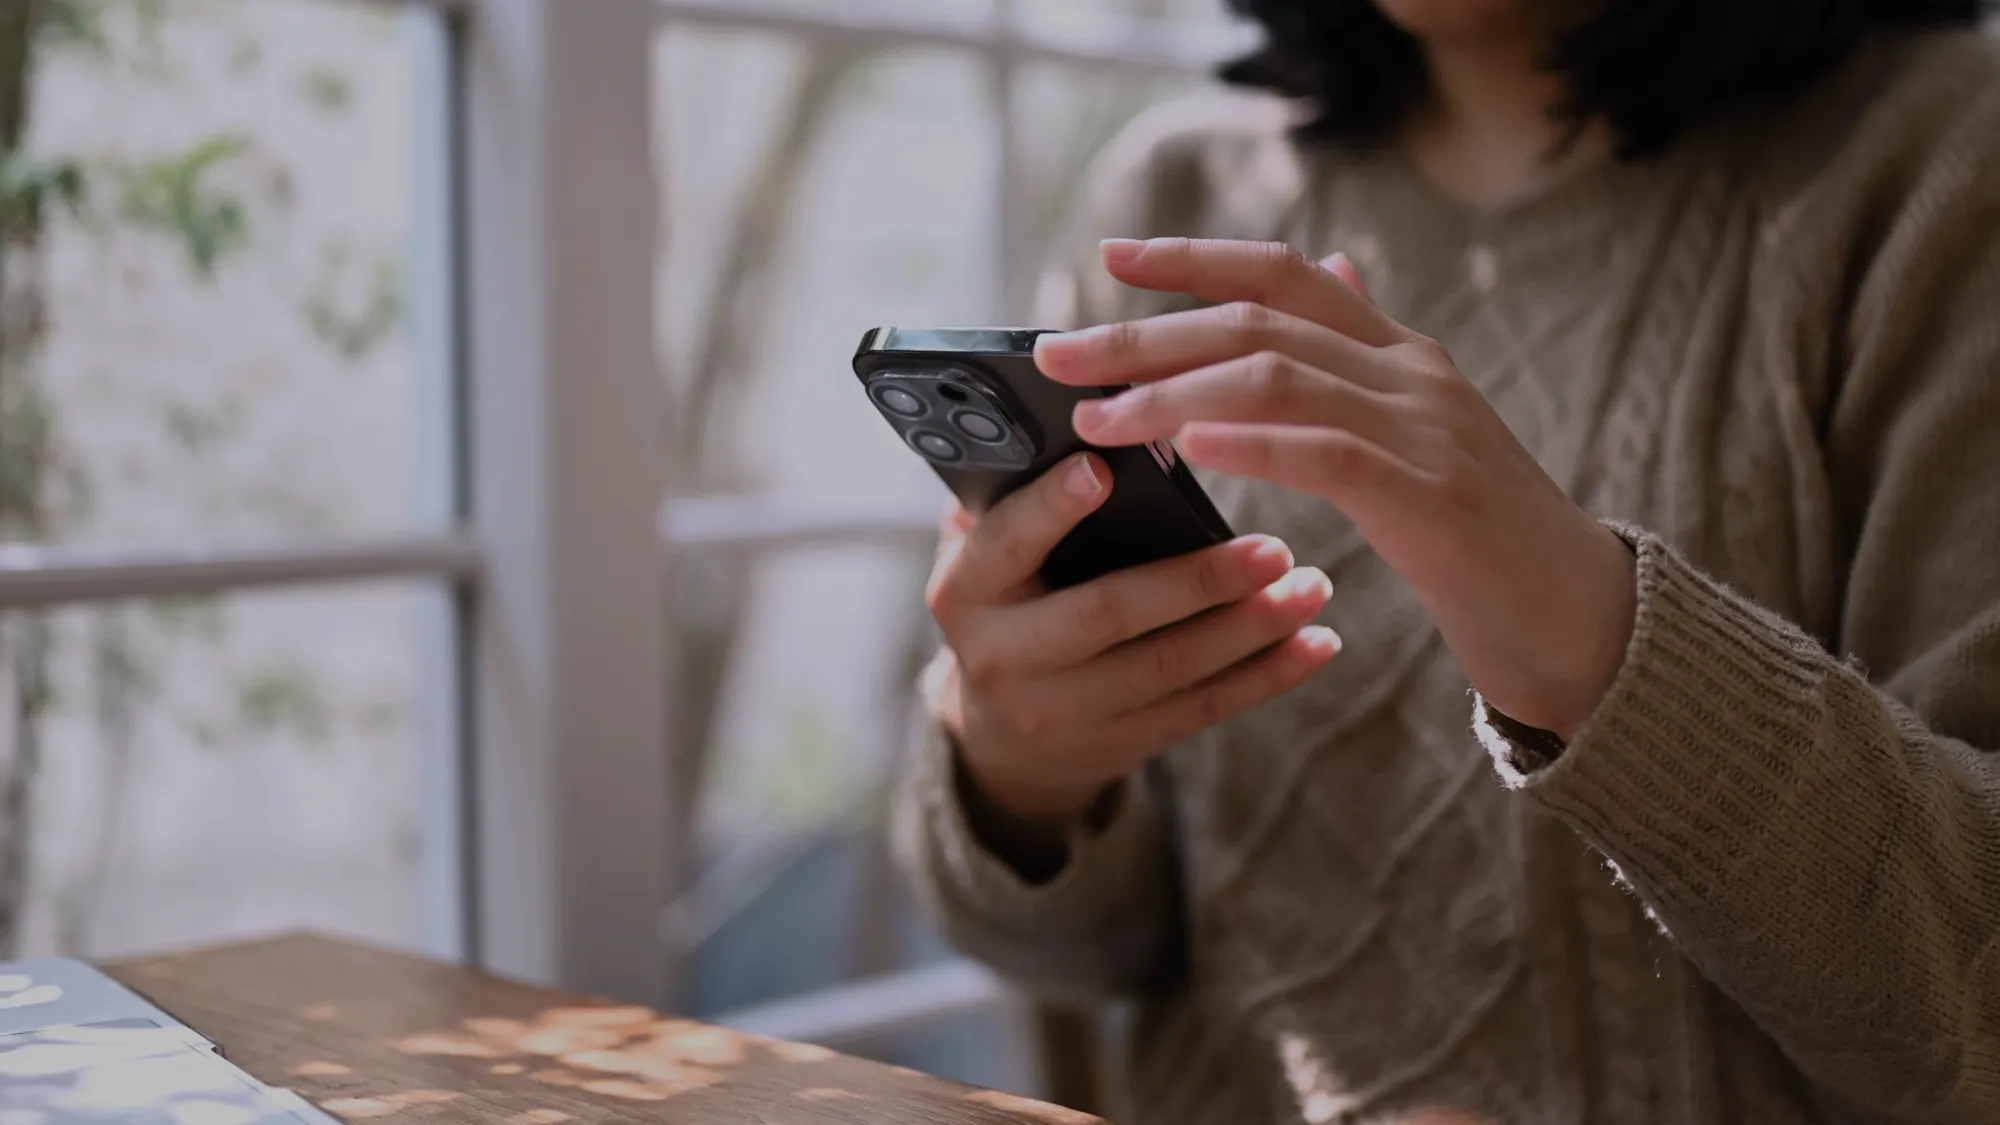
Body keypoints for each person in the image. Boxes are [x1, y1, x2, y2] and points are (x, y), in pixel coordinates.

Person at [893, 0, 2000, 1122]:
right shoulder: (1177, 197)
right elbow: (1085, 956)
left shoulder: (1943, 162)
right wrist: (1017, 772)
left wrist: (1601, 646)